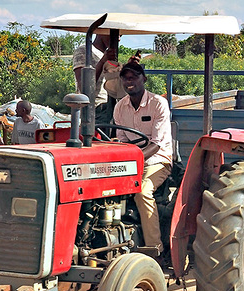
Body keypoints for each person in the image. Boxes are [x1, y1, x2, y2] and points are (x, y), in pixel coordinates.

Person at [113, 61, 173, 255]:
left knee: (143, 190)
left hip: (158, 161)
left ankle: (155, 249)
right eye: (125, 78)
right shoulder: (120, 108)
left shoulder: (158, 104)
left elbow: (156, 144)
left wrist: (133, 158)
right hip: (131, 162)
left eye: (133, 77)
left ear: (143, 79)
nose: (129, 82)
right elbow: (121, 141)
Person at [73, 34, 112, 125]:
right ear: (101, 32)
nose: (118, 39)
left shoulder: (109, 56)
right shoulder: (85, 51)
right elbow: (84, 86)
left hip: (111, 106)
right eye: (114, 35)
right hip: (95, 108)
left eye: (120, 36)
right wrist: (103, 61)